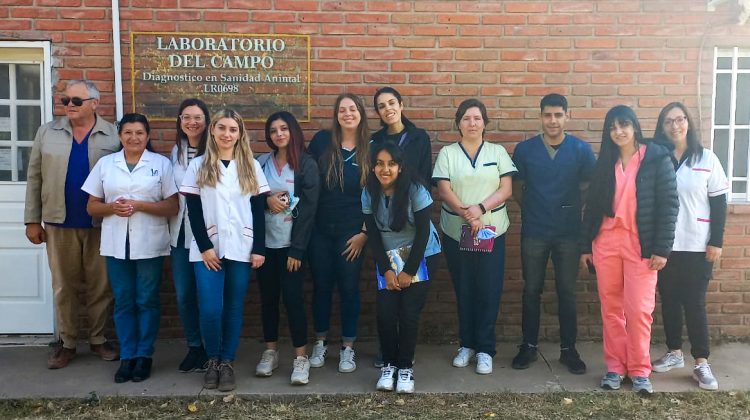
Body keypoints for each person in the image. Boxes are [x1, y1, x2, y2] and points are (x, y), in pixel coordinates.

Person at [580, 105, 679, 395]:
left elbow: (669, 205)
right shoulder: (605, 162)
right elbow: (593, 208)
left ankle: (639, 370)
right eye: (612, 127)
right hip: (606, 243)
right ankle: (615, 368)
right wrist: (586, 246)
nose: (618, 131)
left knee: (638, 311)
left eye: (623, 125)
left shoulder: (656, 158)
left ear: (635, 126)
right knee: (611, 309)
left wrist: (662, 248)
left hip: (642, 247)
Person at [24, 79, 121, 369]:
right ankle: (67, 343)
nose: (69, 106)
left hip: (100, 223)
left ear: (94, 103)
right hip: (58, 222)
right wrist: (32, 219)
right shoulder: (47, 132)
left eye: (76, 101)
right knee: (64, 287)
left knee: (100, 286)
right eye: (65, 100)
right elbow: (34, 177)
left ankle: (98, 339)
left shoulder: (112, 135)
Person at [82, 113, 178, 383]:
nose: (133, 138)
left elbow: (173, 206)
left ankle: (144, 356)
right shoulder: (106, 164)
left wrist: (140, 205)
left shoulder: (161, 164)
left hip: (150, 243)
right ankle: (128, 356)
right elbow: (92, 205)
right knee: (123, 301)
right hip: (116, 243)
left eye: (139, 133)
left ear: (147, 136)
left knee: (146, 300)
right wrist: (112, 207)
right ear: (119, 135)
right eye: (128, 133)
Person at [180, 109, 270, 392]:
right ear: (213, 131)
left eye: (233, 129)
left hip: (242, 248)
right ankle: (212, 359)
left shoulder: (251, 166)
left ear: (240, 133)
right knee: (210, 308)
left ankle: (227, 362)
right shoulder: (199, 165)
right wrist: (205, 247)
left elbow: (257, 211)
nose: (227, 134)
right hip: (209, 249)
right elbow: (192, 211)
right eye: (221, 128)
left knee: (233, 307)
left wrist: (259, 248)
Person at [510, 94, 595, 374]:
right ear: (540, 117)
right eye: (548, 115)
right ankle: (528, 346)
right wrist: (536, 208)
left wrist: (569, 208)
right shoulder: (525, 150)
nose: (553, 120)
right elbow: (517, 188)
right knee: (531, 289)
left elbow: (587, 188)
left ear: (567, 116)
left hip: (568, 232)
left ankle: (568, 349)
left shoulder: (581, 150)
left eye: (558, 115)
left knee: (567, 291)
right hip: (535, 229)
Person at [432, 98, 516, 375]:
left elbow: (506, 189)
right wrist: (467, 215)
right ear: (458, 123)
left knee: (489, 290)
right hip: (457, 233)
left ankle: (485, 349)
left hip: (492, 231)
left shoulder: (497, 152)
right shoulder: (448, 153)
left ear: (485, 123)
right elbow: (443, 189)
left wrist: (480, 209)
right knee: (464, 288)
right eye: (466, 118)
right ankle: (466, 344)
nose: (472, 123)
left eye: (477, 118)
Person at [651, 102, 729, 390]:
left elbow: (719, 203)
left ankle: (701, 363)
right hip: (666, 245)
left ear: (688, 123)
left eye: (680, 119)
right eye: (669, 121)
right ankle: (673, 352)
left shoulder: (706, 158)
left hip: (698, 244)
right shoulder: (657, 158)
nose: (675, 125)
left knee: (694, 303)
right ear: (662, 126)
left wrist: (716, 241)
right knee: (669, 300)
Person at [363, 141, 441, 393]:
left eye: (391, 164)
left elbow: (422, 233)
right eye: (379, 163)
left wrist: (408, 271)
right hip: (386, 257)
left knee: (408, 314)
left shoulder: (416, 190)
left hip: (420, 256)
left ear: (400, 167)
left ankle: (405, 368)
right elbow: (373, 235)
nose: (385, 169)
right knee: (386, 314)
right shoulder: (368, 191)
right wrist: (386, 269)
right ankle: (389, 365)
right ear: (373, 166)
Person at [255, 111, 319, 385]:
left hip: (291, 245)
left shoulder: (306, 164)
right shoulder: (261, 162)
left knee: (293, 300)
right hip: (265, 245)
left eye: (283, 129)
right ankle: (270, 352)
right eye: (273, 130)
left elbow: (310, 208)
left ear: (293, 131)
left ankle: (301, 358)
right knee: (268, 299)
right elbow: (250, 198)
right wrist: (266, 199)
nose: (278, 134)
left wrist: (297, 249)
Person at [307, 93, 370, 373]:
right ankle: (320, 342)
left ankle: (347, 348)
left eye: (352, 109)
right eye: (342, 110)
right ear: (336, 114)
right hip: (320, 229)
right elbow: (306, 182)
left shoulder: (373, 145)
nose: (347, 114)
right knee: (321, 287)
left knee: (348, 289)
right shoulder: (322, 141)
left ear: (361, 113)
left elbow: (378, 195)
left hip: (352, 232)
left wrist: (364, 233)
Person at [169, 98, 210, 373]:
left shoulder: (216, 150)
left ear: (207, 121)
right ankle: (195, 347)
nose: (191, 122)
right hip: (180, 235)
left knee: (208, 295)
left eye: (197, 117)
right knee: (184, 294)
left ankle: (212, 348)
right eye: (186, 117)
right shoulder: (176, 151)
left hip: (208, 235)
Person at [371, 86, 432, 187]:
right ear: (378, 113)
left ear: (401, 105)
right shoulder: (375, 140)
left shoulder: (419, 137)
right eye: (382, 106)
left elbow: (425, 176)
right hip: (383, 199)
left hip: (413, 199)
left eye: (391, 103)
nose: (388, 108)